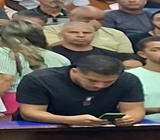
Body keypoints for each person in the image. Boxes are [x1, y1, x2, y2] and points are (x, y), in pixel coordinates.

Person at [15, 53, 145, 126]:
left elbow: (135, 109)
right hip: (44, 128)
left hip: (101, 128)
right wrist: (71, 121)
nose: (99, 85)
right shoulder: (39, 79)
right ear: (74, 71)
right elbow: (30, 113)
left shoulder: (128, 80)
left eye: (108, 82)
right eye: (92, 80)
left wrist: (130, 118)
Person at [0, 19, 68, 109]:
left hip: (13, 102)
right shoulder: (60, 58)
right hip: (52, 103)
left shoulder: (3, 52)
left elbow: (4, 79)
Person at [47, 19, 132, 65]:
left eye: (86, 33)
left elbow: (133, 61)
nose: (81, 35)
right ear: (61, 35)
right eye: (73, 32)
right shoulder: (49, 54)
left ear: (94, 35)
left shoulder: (108, 54)